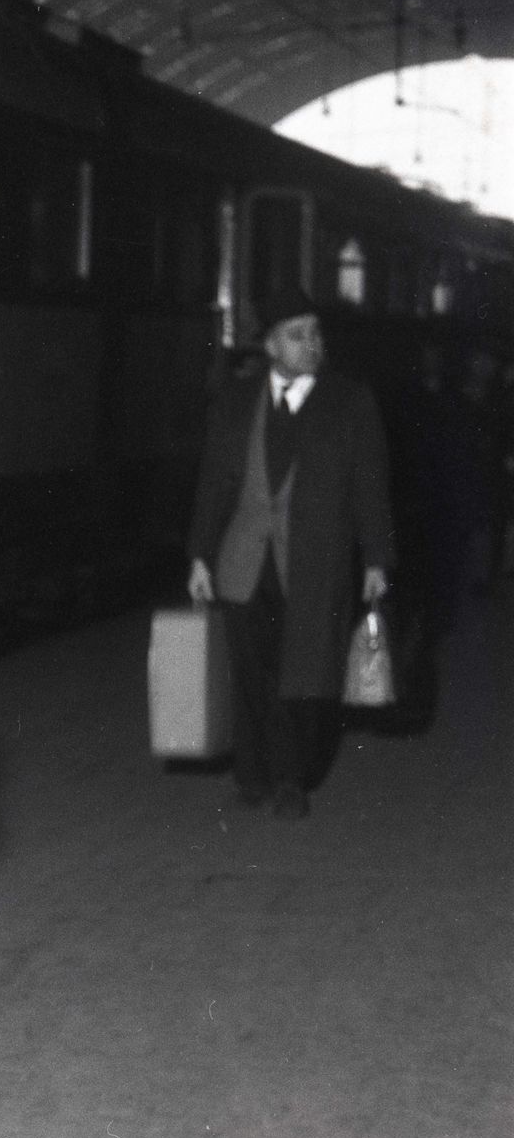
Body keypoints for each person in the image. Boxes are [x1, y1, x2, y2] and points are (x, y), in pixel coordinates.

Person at [187, 287, 394, 819]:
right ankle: (251, 775)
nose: (313, 345)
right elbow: (213, 483)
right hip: (243, 561)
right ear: (271, 347)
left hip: (313, 563)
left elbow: (370, 485)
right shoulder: (236, 399)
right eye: (298, 336)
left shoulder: (350, 401)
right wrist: (199, 556)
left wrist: (376, 558)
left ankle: (289, 782)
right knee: (249, 671)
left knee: (299, 678)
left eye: (316, 333)